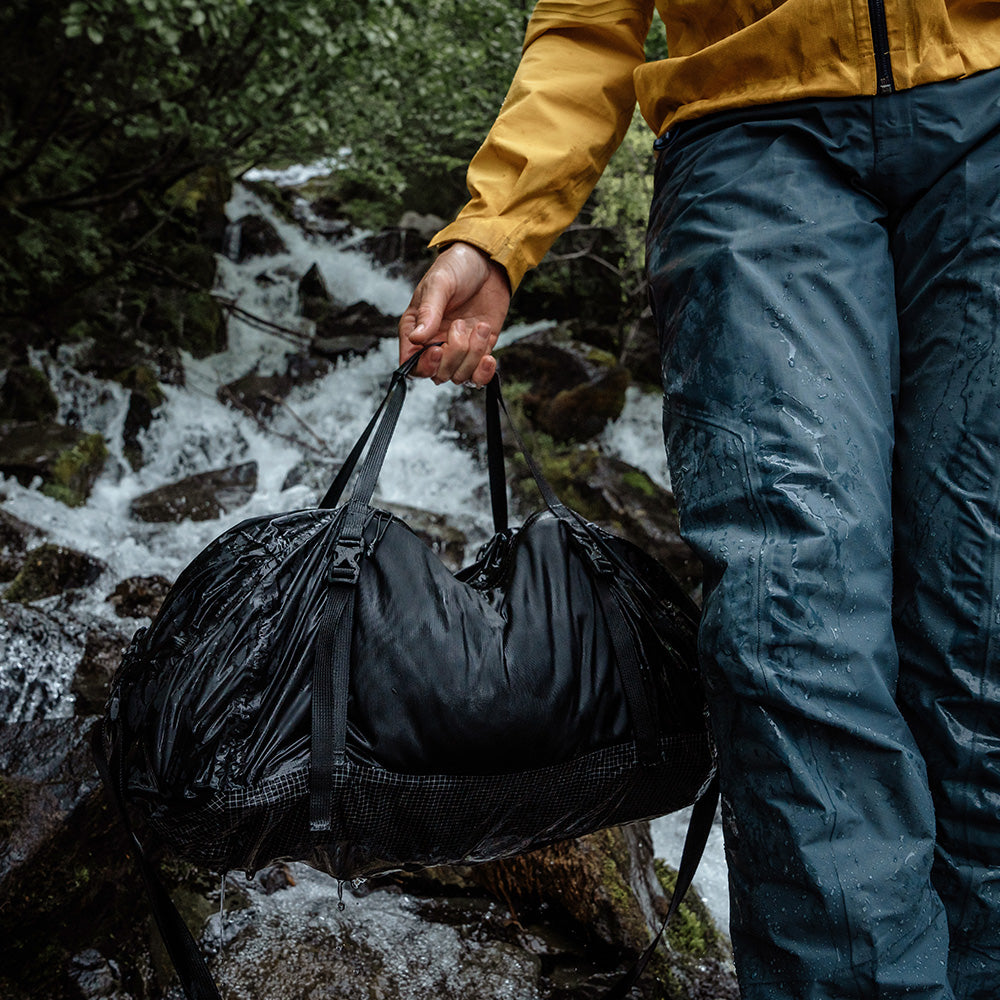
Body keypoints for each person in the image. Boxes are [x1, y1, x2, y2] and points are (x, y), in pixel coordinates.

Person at [397, 3, 1000, 998]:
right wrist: (497, 229)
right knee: (792, 619)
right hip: (753, 137)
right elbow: (588, 19)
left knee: (978, 615)